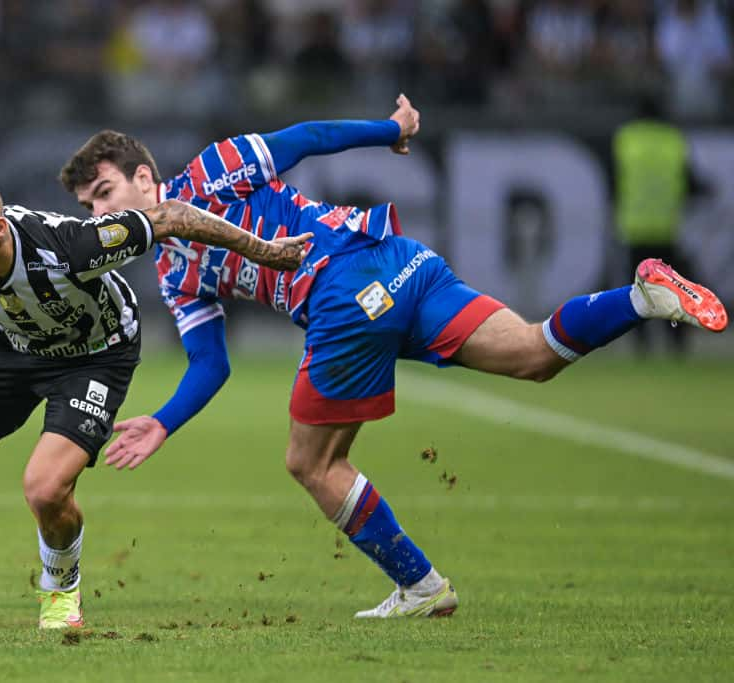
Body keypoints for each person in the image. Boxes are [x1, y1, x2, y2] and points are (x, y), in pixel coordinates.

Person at [59, 95, 729, 619]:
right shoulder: (176, 277)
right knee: (532, 352)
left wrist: (389, 131)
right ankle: (641, 297)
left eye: (106, 195)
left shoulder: (208, 172)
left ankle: (421, 585)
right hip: (400, 261)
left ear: (144, 178)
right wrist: (164, 420)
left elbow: (305, 138)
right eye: (89, 208)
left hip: (344, 290)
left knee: (309, 461)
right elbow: (211, 364)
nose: (98, 216)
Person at [0, 169, 309, 630]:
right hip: (11, 348)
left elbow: (172, 215)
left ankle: (60, 589)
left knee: (45, 487)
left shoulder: (70, 247)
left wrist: (266, 252)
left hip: (96, 357)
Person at [613, 97, 702, 354]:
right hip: (666, 229)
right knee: (673, 290)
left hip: (634, 229)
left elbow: (613, 179)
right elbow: (689, 180)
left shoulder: (626, 139)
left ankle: (641, 345)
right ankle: (677, 344)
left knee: (638, 292)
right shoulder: (673, 140)